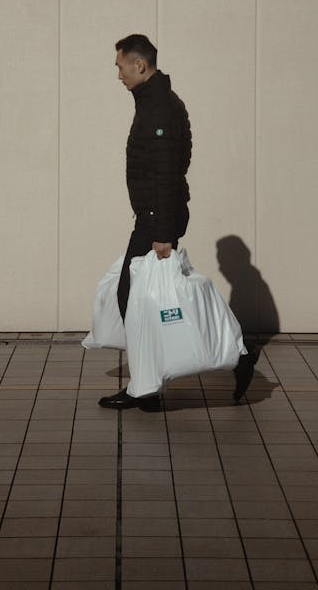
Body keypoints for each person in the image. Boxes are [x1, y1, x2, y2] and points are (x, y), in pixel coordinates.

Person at [99, 34, 192, 411]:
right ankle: (148, 387)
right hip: (153, 216)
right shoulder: (154, 102)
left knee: (132, 298)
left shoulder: (160, 107)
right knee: (148, 303)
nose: (118, 74)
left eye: (120, 67)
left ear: (140, 65)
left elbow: (169, 170)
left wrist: (163, 232)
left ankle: (147, 385)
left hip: (156, 220)